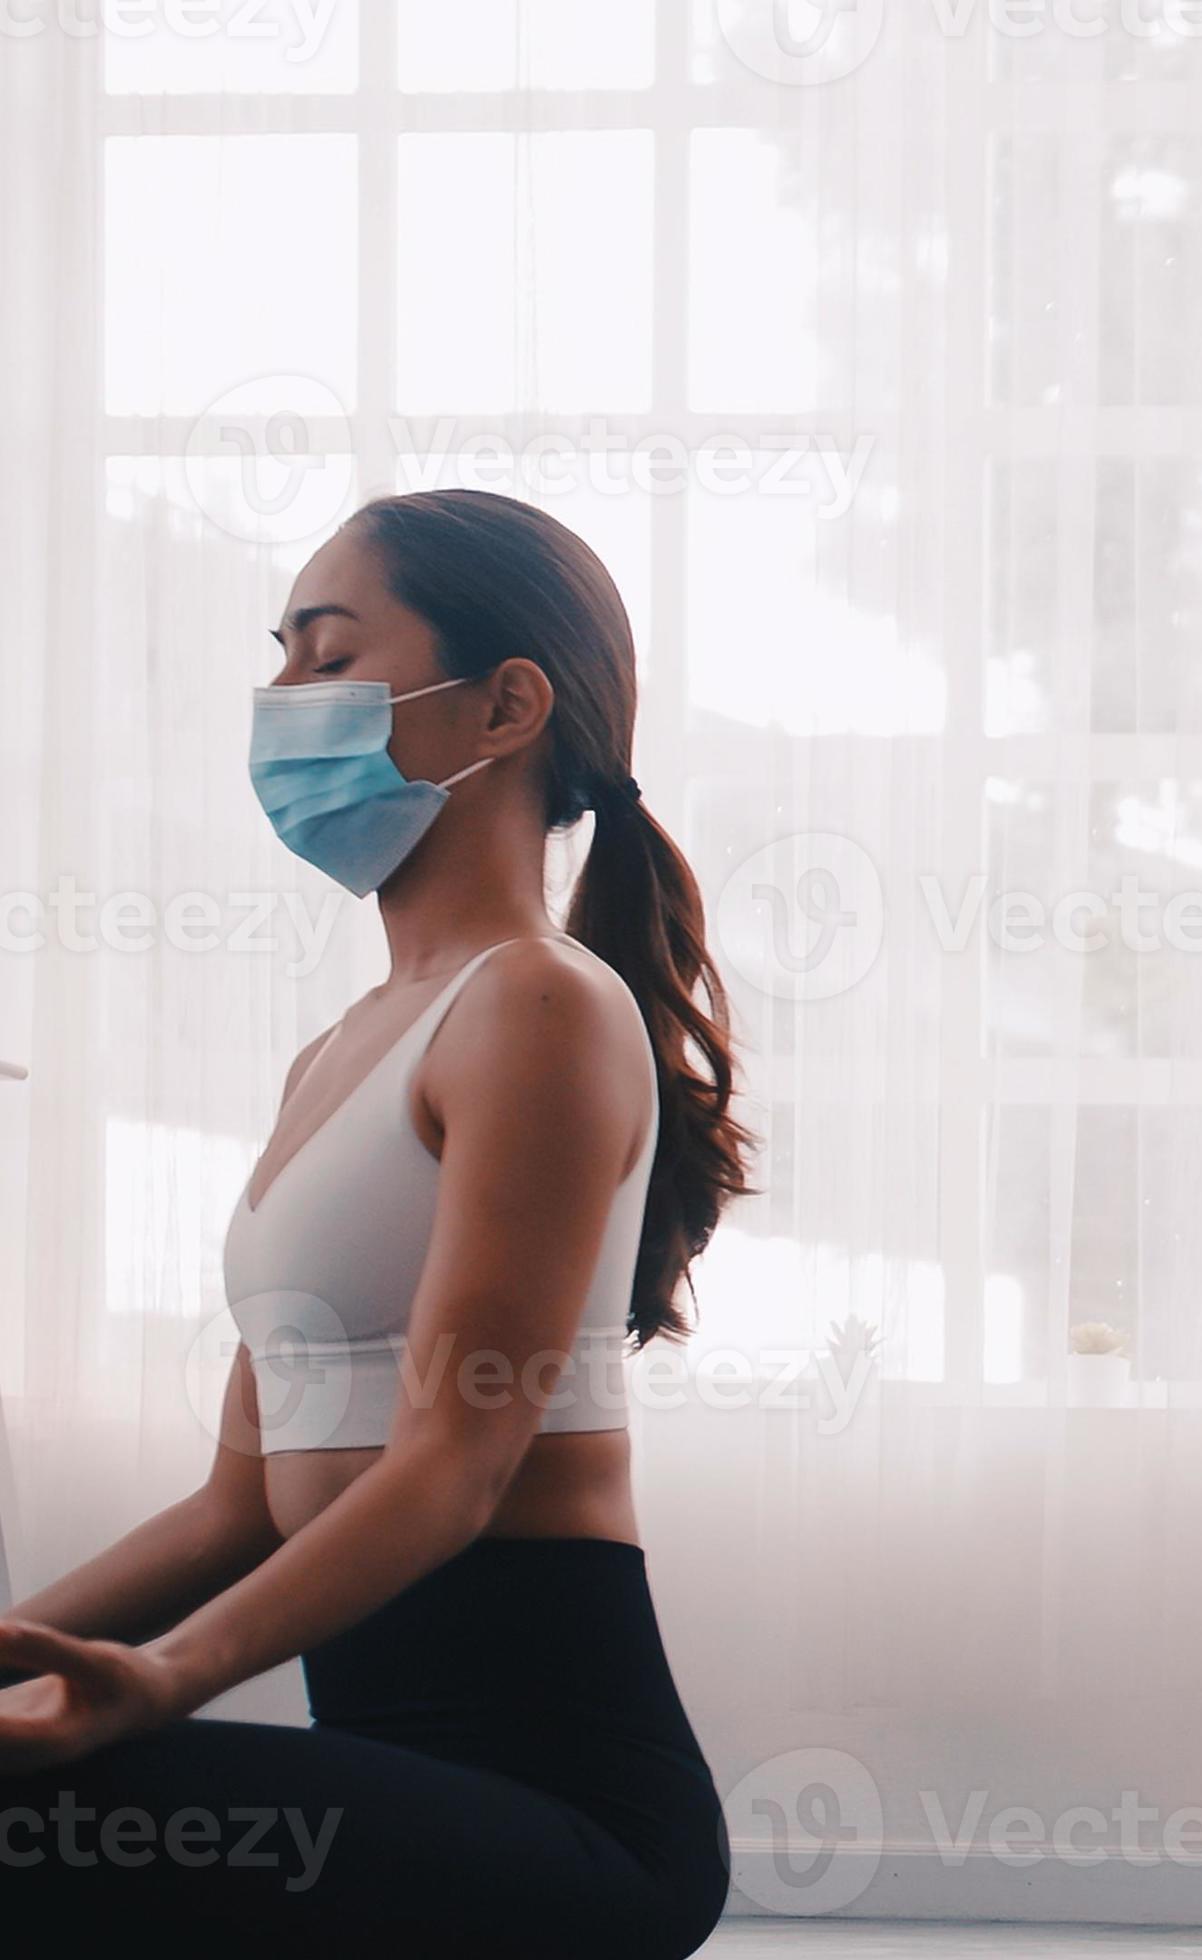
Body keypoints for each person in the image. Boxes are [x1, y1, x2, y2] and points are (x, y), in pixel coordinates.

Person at [0, 490, 749, 1958]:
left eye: (328, 656)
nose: (282, 695)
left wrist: (166, 1683)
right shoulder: (341, 1050)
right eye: (279, 653)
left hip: (568, 1816)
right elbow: (233, 1507)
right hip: (395, 1778)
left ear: (506, 706)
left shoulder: (537, 1005)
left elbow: (455, 1467)